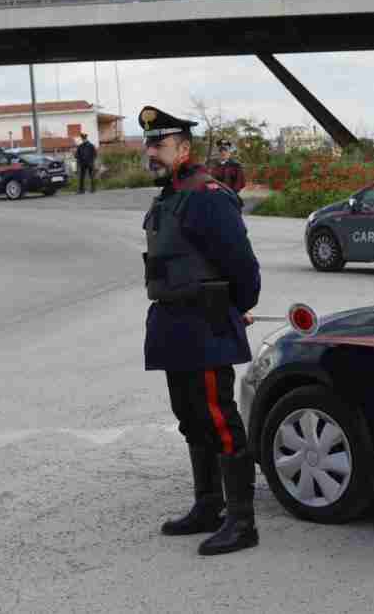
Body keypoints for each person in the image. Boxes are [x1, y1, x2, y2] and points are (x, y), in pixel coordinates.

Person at [140, 106, 261, 556]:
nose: (151, 152)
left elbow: (243, 267)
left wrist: (234, 308)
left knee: (219, 420)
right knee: (191, 418)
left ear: (185, 149)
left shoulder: (207, 194)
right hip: (174, 325)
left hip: (205, 323)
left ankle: (242, 521)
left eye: (160, 144)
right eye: (148, 144)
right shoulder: (170, 195)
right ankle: (207, 506)